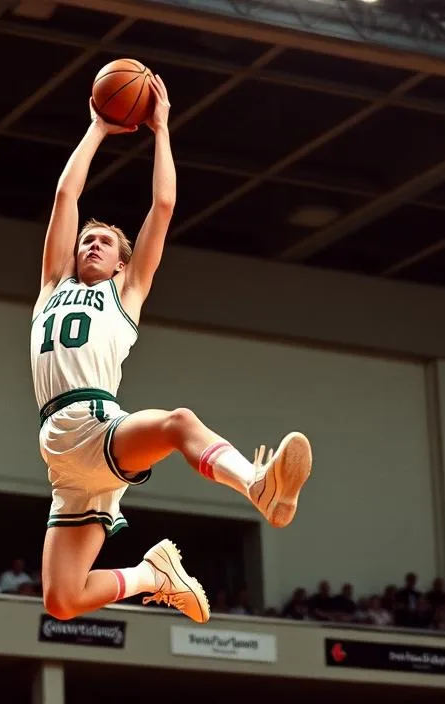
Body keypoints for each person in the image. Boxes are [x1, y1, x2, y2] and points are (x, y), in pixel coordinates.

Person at [30, 74, 313, 625]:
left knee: (179, 423)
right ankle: (153, 575)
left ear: (120, 263)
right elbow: (67, 194)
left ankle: (257, 483)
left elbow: (162, 206)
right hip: (66, 460)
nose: (91, 242)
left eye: (105, 241)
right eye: (87, 238)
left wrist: (160, 130)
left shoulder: (126, 294)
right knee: (61, 600)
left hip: (96, 425)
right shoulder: (51, 286)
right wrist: (96, 129)